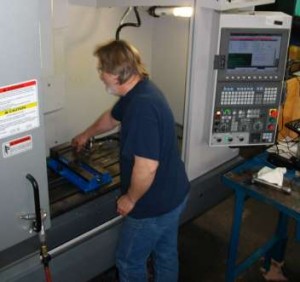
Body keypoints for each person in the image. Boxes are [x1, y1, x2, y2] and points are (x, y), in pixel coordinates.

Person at [72, 39, 190, 282]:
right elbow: (112, 118)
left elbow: (146, 168)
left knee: (129, 262)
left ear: (117, 74)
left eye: (101, 69)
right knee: (165, 253)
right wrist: (87, 134)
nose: (100, 76)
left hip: (152, 205)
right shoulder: (139, 90)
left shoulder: (141, 108)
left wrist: (130, 199)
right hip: (174, 193)